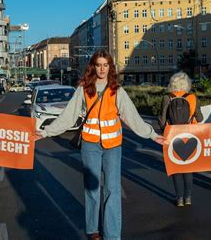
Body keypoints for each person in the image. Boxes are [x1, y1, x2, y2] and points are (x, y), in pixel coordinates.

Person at [35, 50, 165, 240]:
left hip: (113, 146)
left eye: (106, 65)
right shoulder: (84, 89)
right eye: (99, 65)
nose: (102, 69)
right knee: (92, 189)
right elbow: (69, 116)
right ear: (93, 66)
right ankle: (92, 229)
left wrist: (152, 135)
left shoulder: (117, 90)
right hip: (90, 145)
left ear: (110, 67)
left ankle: (112, 235)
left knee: (112, 189)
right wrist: (46, 132)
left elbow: (132, 116)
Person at [158, 72, 203, 206]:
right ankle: (188, 197)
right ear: (187, 84)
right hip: (189, 135)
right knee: (188, 168)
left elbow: (162, 120)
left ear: (172, 83)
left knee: (176, 168)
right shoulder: (192, 98)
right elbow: (200, 118)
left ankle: (179, 199)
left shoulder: (167, 97)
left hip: (172, 135)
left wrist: (164, 129)